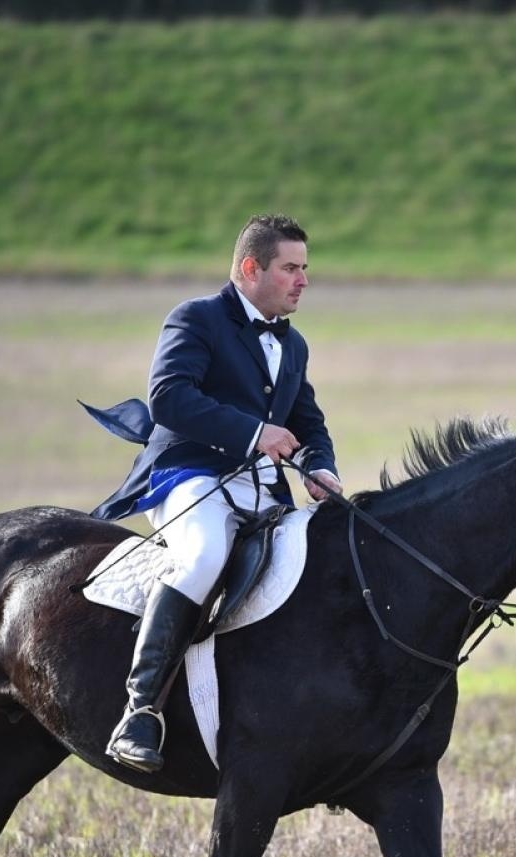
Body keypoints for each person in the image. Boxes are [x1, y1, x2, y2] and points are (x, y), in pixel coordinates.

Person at [88, 214, 342, 773]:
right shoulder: (196, 318)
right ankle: (141, 710)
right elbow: (169, 399)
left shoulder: (292, 345)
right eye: (290, 269)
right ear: (251, 269)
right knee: (204, 554)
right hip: (189, 477)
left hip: (260, 488)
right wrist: (255, 433)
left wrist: (321, 468)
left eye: (306, 269)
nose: (303, 280)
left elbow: (309, 424)